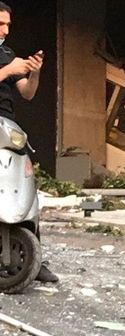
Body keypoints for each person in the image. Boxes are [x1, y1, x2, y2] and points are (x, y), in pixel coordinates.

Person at [0, 1, 57, 283]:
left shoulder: (6, 54)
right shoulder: (8, 62)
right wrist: (8, 70)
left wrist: (34, 71)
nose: (5, 30)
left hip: (7, 125)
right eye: (0, 24)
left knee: (23, 177)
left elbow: (28, 93)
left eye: (7, 25)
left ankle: (33, 255)